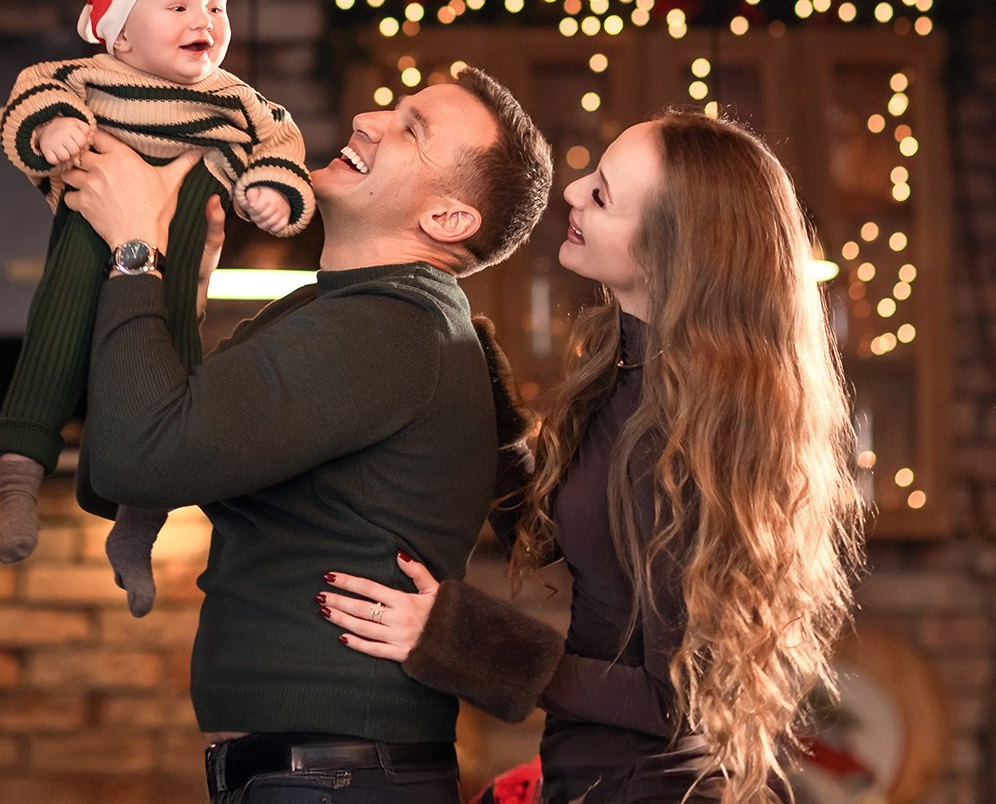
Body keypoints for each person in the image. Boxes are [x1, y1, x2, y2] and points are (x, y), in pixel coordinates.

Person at [318, 111, 864, 804]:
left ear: (672, 252)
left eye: (602, 195)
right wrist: (470, 380)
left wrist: (460, 640)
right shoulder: (630, 375)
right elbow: (551, 536)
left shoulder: (697, 434)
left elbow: (679, 699)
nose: (572, 191)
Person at [62, 68, 553, 802]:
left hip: (335, 778)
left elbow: (139, 459)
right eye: (394, 106)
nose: (367, 117)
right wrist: (171, 287)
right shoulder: (330, 312)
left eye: (411, 129)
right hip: (320, 774)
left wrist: (137, 245)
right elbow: (116, 460)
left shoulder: (388, 330)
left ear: (449, 220)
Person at [0, 0, 315, 615]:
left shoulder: (234, 100)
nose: (204, 20)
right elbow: (28, 97)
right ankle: (18, 482)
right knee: (56, 334)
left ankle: (138, 527)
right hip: (88, 232)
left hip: (177, 263)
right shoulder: (86, 78)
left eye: (216, 7)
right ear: (119, 33)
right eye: (178, 6)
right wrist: (52, 131)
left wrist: (274, 191)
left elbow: (280, 137)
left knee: (166, 377)